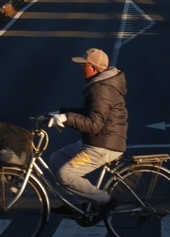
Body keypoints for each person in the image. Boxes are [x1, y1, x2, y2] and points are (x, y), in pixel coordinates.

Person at [47, 47, 128, 220]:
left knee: (65, 174)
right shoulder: (99, 85)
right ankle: (75, 204)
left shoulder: (101, 89)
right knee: (57, 158)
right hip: (96, 141)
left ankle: (105, 201)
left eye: (84, 65)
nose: (80, 68)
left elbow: (94, 124)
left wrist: (66, 118)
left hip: (104, 144)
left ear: (94, 68)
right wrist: (61, 113)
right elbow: (91, 112)